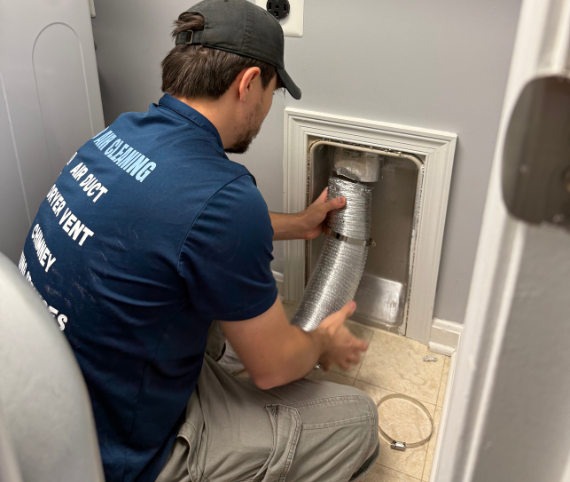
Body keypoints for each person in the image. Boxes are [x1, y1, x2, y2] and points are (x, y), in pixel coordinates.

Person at [19, 1, 379, 481]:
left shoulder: (119, 135)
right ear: (248, 83)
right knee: (356, 420)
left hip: (60, 409)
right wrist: (321, 342)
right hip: (123, 456)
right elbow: (272, 368)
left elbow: (178, 225)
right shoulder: (226, 197)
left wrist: (298, 224)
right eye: (272, 92)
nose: (267, 109)